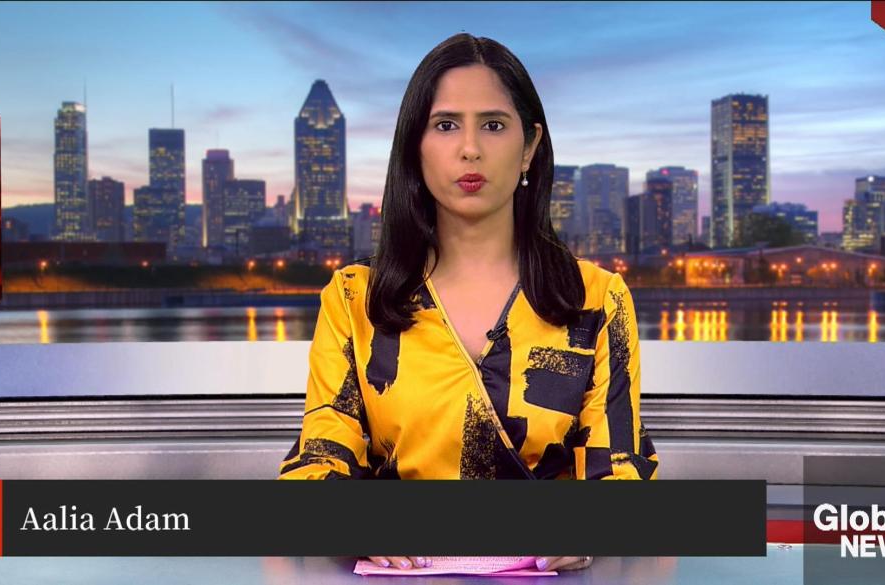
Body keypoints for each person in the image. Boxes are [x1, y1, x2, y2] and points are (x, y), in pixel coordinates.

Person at [278, 33, 658, 573]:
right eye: (446, 125)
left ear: (529, 146)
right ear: (415, 146)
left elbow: (621, 471)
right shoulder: (355, 299)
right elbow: (318, 462)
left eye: (494, 125)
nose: (470, 149)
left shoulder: (596, 299)